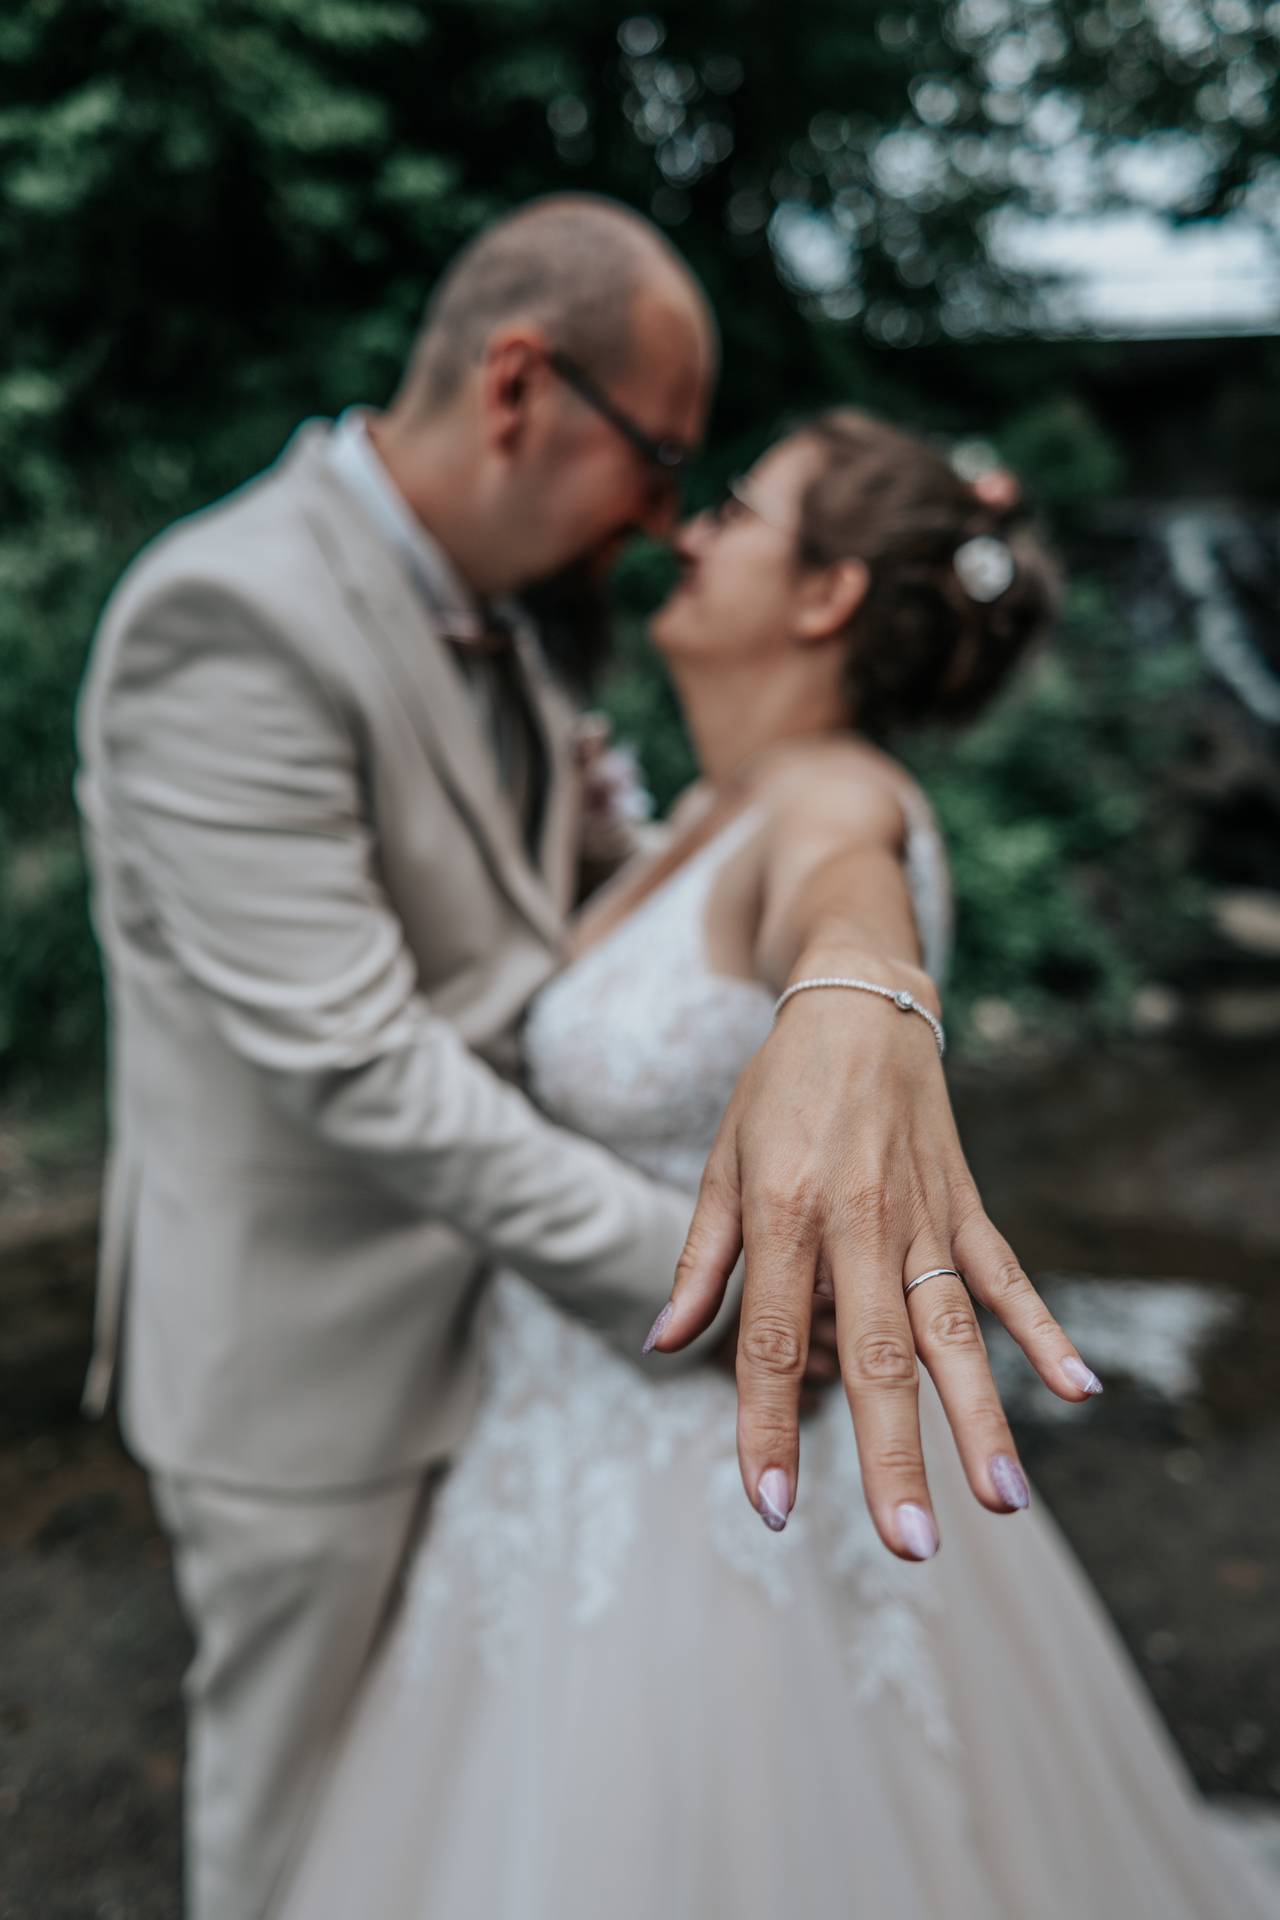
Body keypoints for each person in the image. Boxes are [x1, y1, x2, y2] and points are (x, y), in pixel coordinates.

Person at [75, 197, 1088, 1920]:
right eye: (659, 458)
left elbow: (837, 850)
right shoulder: (229, 619)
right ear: (521, 386)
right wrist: (722, 1287)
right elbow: (363, 1065)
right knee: (294, 1844)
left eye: (712, 484)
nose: (668, 519)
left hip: (540, 1368)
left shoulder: (592, 665)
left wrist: (862, 985)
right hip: (322, 1372)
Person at [273, 412, 1277, 1920]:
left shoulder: (830, 799)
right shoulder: (705, 810)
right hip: (556, 1442)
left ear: (823, 597)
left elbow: (847, 887)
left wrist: (857, 997)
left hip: (718, 1486)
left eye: (737, 507)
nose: (689, 527)